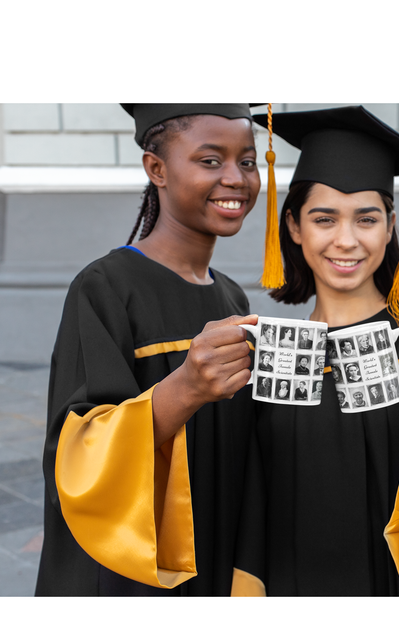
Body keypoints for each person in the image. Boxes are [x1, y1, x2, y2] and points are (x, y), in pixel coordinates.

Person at [235, 105, 399, 596]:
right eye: (324, 218)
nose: (346, 240)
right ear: (293, 226)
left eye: (366, 219)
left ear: (391, 224)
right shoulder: (269, 356)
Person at [35, 103, 265, 596]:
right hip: (139, 567)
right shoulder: (106, 287)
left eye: (247, 161)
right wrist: (184, 388)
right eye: (210, 161)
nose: (236, 178)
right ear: (156, 168)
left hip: (216, 544)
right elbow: (76, 454)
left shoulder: (230, 296)